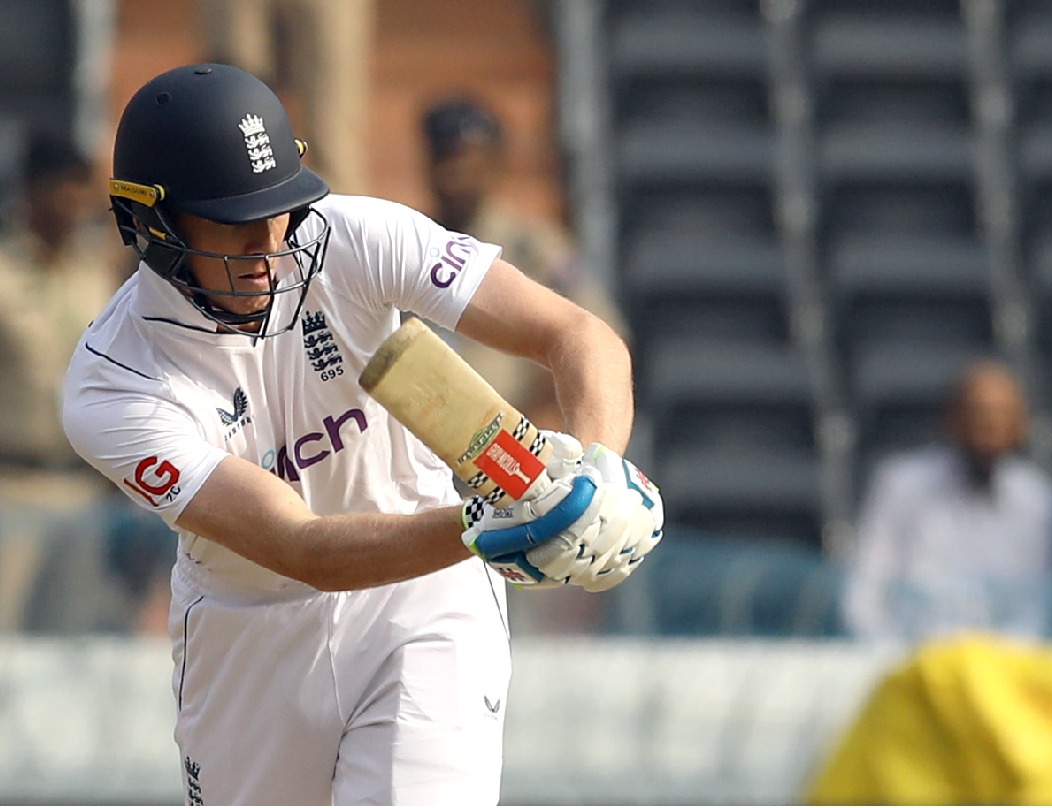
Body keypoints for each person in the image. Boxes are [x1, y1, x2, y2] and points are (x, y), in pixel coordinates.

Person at [61, 64, 663, 805]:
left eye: (278, 211)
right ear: (151, 223)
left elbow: (574, 332)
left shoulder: (353, 233)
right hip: (247, 632)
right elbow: (301, 548)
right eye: (235, 221)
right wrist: (491, 525)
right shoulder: (112, 382)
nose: (270, 246)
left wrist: (595, 472)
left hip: (425, 600)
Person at [420, 97, 626, 432]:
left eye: (466, 159)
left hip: (513, 443)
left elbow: (599, 333)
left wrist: (525, 418)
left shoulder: (534, 247)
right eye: (444, 157)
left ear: (495, 162)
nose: (453, 174)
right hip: (421, 445)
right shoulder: (413, 243)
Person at [0, 132, 130, 633]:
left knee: (72, 647)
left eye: (82, 189)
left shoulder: (96, 277)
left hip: (86, 497)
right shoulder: (6, 277)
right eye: (62, 188)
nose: (75, 202)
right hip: (14, 486)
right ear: (30, 192)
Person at [842, 359, 1052, 642]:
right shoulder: (901, 485)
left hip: (1001, 669)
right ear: (952, 418)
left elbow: (1038, 608)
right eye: (978, 414)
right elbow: (865, 593)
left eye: (1002, 416)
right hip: (909, 658)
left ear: (1020, 426)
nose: (989, 428)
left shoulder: (1040, 502)